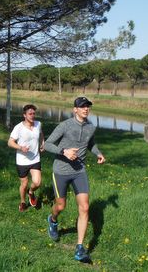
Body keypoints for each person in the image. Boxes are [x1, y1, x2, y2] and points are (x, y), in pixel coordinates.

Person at [44, 97, 105, 262]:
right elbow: (47, 144)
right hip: (61, 171)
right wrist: (64, 151)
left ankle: (79, 248)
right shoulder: (65, 125)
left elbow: (90, 143)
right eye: (82, 106)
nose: (86, 109)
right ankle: (53, 219)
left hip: (80, 171)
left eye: (88, 107)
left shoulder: (91, 127)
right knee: (61, 205)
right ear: (75, 109)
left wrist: (98, 153)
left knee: (85, 208)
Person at [8, 104, 45, 212]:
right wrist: (20, 147)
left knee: (37, 182)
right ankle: (23, 202)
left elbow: (41, 133)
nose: (32, 116)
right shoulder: (18, 128)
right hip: (22, 161)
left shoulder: (38, 124)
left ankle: (31, 192)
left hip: (35, 158)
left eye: (34, 113)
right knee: (24, 184)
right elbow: (10, 142)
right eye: (30, 114)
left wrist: (43, 143)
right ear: (24, 115)